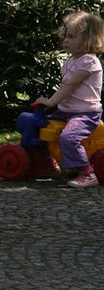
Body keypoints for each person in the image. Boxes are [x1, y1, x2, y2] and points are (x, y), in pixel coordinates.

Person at [32, 11, 104, 188]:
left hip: (85, 113)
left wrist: (51, 101)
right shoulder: (71, 61)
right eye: (65, 36)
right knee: (39, 127)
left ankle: (87, 173)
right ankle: (48, 164)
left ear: (89, 38)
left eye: (71, 36)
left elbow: (69, 86)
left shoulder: (89, 61)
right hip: (67, 112)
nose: (65, 40)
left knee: (69, 137)